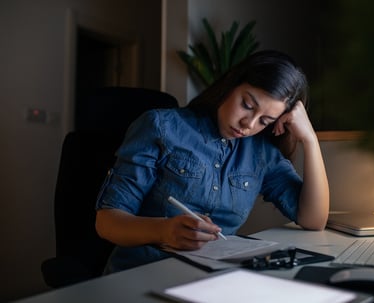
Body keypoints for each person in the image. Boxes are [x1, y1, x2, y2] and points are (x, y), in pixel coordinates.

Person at [95, 50, 330, 274]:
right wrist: (163, 231)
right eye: (247, 105)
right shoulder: (161, 127)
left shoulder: (261, 153)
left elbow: (314, 219)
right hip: (139, 274)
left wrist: (309, 140)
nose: (249, 124)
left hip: (210, 280)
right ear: (230, 85)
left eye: (265, 121)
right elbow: (106, 222)